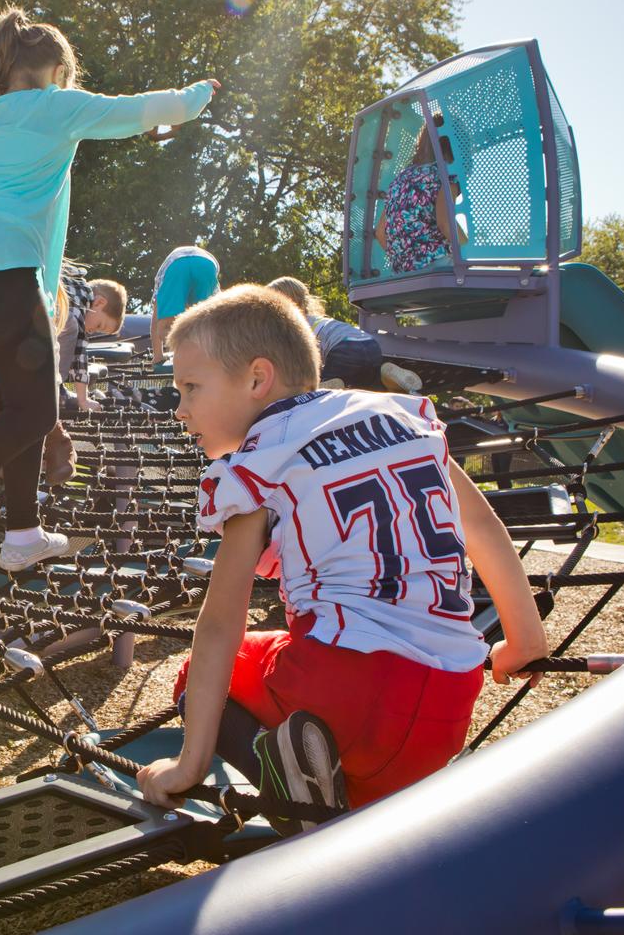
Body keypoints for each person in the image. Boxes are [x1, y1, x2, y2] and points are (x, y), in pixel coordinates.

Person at [134, 285, 548, 828]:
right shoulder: (403, 420)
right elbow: (484, 529)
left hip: (343, 699)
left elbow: (220, 623)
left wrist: (187, 767)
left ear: (258, 379)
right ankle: (341, 791)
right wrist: (525, 642)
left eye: (191, 388)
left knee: (197, 672)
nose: (181, 410)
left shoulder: (259, 462)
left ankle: (299, 796)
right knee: (311, 668)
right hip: (448, 704)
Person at [0, 7, 217, 591]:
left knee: (20, 402)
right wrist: (198, 96)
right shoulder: (58, 106)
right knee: (40, 411)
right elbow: (146, 107)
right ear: (58, 71)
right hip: (5, 270)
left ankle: (22, 534)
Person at [264, 277, 423, 393]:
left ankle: (330, 385)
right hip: (370, 344)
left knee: (320, 390)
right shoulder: (320, 320)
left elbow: (307, 359)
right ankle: (385, 374)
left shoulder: (295, 323)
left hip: (343, 350)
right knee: (370, 387)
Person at [374, 116, 460, 274]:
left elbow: (380, 233)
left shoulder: (401, 179)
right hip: (438, 267)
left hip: (402, 275)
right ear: (455, 144)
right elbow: (445, 223)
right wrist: (470, 252)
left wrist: (409, 261)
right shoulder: (445, 173)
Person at [57, 266, 126, 414]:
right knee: (71, 326)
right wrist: (84, 400)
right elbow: (80, 355)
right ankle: (55, 387)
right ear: (99, 303)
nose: (92, 331)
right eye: (99, 325)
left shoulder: (72, 282)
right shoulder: (79, 302)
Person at [149, 244, 219, 364]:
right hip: (207, 264)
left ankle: (186, 353)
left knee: (164, 328)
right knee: (206, 326)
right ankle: (206, 357)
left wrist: (158, 356)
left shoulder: (164, 279)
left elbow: (155, 322)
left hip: (176, 263)